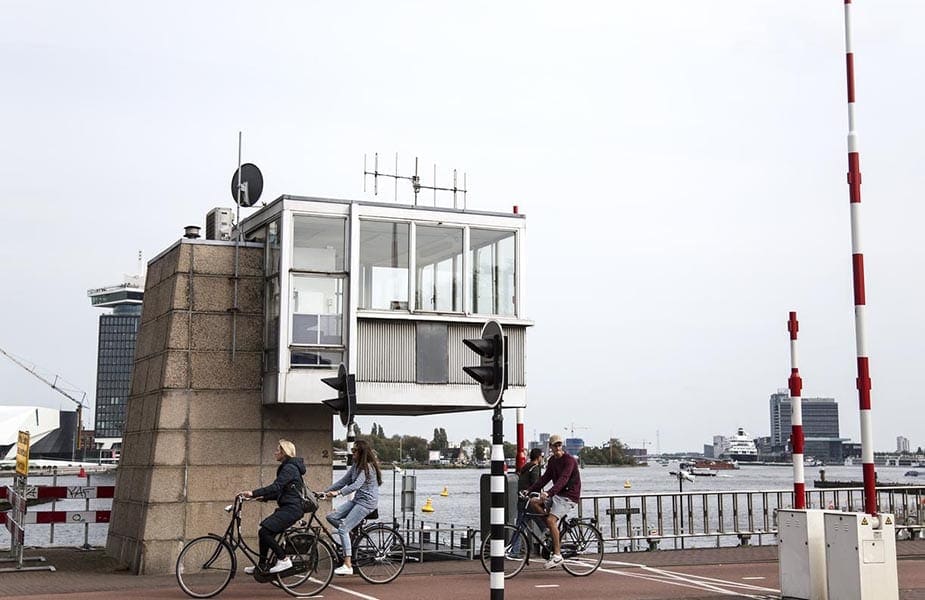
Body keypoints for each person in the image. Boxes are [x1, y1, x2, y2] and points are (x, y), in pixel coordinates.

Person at [238, 439, 307, 575]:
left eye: (278, 450)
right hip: (289, 507)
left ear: (284, 452)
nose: (275, 453)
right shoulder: (289, 467)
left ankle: (283, 559)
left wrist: (253, 493)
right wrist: (264, 497)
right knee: (264, 532)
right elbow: (282, 492)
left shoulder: (290, 468)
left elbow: (276, 486)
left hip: (292, 509)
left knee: (264, 532)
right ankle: (262, 565)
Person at [322, 439, 382, 576]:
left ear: (361, 453)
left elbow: (356, 486)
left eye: (354, 451)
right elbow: (343, 481)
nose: (352, 453)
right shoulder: (355, 466)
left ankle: (348, 565)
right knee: (331, 516)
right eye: (352, 450)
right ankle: (348, 534)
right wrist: (324, 492)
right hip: (357, 500)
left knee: (343, 528)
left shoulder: (367, 467)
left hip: (367, 503)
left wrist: (337, 494)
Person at [526, 434, 581, 569]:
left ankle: (557, 555)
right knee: (533, 503)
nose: (557, 448)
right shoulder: (552, 461)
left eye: (559, 445)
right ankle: (548, 530)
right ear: (550, 447)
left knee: (551, 520)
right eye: (555, 445)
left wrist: (549, 493)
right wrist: (528, 490)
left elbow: (563, 479)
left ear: (562, 446)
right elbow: (544, 479)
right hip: (557, 495)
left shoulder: (569, 461)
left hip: (569, 496)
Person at [507, 447, 544, 558]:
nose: (542, 458)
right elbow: (536, 485)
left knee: (520, 527)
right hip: (531, 502)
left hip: (522, 501)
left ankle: (514, 550)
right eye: (541, 457)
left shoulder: (525, 467)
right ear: (538, 457)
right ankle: (552, 544)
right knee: (544, 523)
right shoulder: (535, 468)